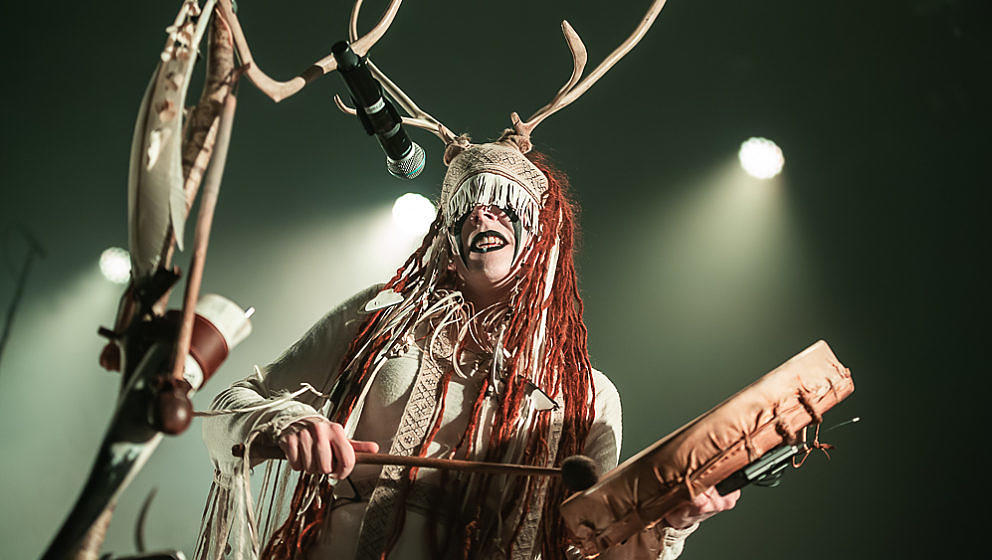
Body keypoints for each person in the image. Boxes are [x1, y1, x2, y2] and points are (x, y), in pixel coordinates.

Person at [198, 138, 739, 560]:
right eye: (465, 211)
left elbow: (593, 543)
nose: (482, 217)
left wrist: (673, 519)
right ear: (448, 252)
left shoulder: (588, 396)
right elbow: (226, 409)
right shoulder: (380, 319)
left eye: (504, 208)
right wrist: (286, 422)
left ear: (541, 242)